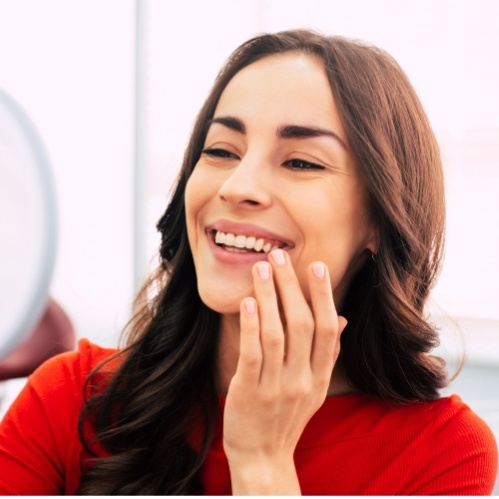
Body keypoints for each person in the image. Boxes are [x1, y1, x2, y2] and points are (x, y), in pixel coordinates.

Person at [0, 29, 497, 495]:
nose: (236, 186)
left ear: (380, 219)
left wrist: (262, 461)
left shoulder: (443, 453)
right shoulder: (66, 401)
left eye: (300, 161)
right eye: (220, 151)